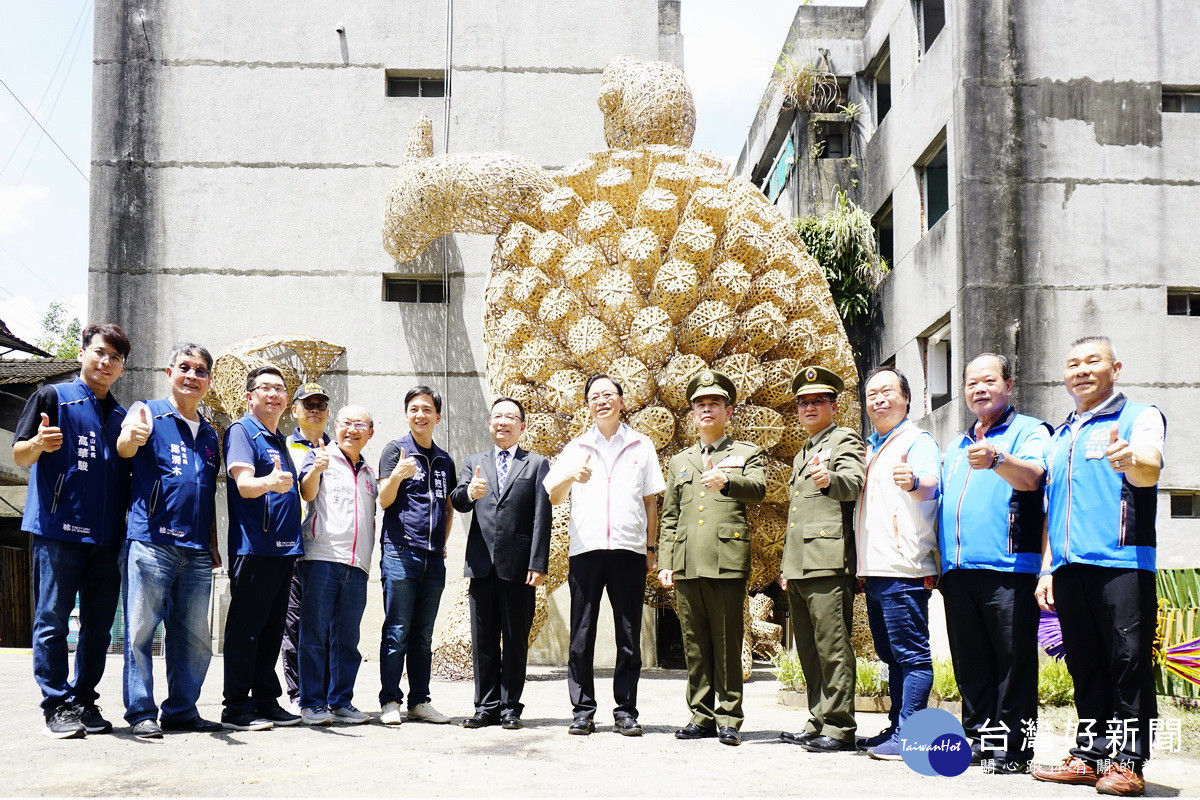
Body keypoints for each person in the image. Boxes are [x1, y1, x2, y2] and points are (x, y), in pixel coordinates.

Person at [1033, 336, 1165, 797]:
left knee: (1127, 661)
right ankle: (1090, 756)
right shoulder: (1061, 435)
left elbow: (1150, 466)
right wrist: (1047, 568)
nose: (1082, 370)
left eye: (1093, 361)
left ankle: (1128, 762)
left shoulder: (1139, 416)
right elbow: (1053, 505)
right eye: (1072, 364)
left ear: (1116, 367)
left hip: (1123, 561)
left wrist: (1132, 461)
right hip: (1069, 566)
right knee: (1085, 665)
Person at [13, 323, 132, 739]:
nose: (106, 362)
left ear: (121, 369)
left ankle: (84, 699)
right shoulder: (52, 397)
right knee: (52, 620)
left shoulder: (122, 417)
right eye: (100, 352)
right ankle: (56, 704)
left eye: (116, 358)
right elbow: (19, 454)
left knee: (99, 628)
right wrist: (39, 445)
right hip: (56, 530)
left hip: (106, 539)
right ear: (83, 353)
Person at [939, 353, 1050, 773]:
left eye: (988, 380)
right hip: (959, 571)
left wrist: (999, 458)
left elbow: (1034, 477)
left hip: (1010, 569)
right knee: (972, 662)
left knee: (1012, 663)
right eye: (971, 383)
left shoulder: (1029, 431)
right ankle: (980, 740)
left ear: (1009, 384)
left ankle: (1015, 750)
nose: (979, 389)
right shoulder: (956, 444)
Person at [544, 374, 664, 736]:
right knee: (582, 632)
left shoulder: (642, 445)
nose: (602, 401)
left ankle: (625, 710)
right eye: (595, 396)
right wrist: (570, 477)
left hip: (628, 550)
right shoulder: (577, 447)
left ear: (621, 402)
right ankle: (583, 710)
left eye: (608, 395)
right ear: (588, 405)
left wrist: (651, 549)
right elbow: (553, 496)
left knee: (629, 634)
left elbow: (651, 503)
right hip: (587, 551)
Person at [117, 343, 223, 739]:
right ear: (169, 372)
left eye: (200, 371)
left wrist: (212, 545)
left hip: (195, 551)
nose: (192, 376)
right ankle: (141, 712)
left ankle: (181, 710)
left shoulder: (211, 434)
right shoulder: (147, 411)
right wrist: (131, 435)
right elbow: (125, 447)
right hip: (151, 542)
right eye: (185, 368)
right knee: (141, 632)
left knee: (195, 638)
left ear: (208, 380)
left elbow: (207, 492)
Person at [659, 369, 766, 747]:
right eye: (700, 404)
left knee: (726, 640)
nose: (707, 409)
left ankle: (729, 716)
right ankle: (700, 714)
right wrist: (666, 560)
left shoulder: (745, 453)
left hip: (726, 559)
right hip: (687, 561)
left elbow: (759, 490)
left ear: (729, 411)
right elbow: (670, 514)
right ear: (692, 414)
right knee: (695, 642)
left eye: (714, 403)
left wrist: (728, 482)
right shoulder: (680, 461)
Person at [777, 365, 865, 753]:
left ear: (833, 405)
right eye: (803, 402)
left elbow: (854, 483)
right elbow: (797, 517)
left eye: (818, 401)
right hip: (800, 564)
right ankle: (817, 719)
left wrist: (832, 480)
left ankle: (840, 726)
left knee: (833, 647)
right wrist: (786, 566)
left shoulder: (844, 438)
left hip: (829, 561)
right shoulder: (804, 452)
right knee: (809, 650)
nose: (810, 407)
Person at [854, 366, 940, 760]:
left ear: (907, 398)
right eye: (872, 394)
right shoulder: (871, 445)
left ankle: (911, 735)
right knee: (891, 655)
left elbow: (930, 487)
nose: (879, 399)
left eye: (888, 392)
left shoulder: (916, 440)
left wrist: (914, 482)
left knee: (912, 655)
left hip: (905, 567)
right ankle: (897, 725)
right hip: (877, 569)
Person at [451, 398, 552, 730]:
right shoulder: (473, 462)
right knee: (484, 640)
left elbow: (542, 517)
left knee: (515, 638)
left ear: (522, 426)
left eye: (511, 417)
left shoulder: (536, 464)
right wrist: (471, 493)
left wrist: (538, 563)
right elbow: (457, 500)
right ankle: (485, 706)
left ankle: (510, 707)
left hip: (520, 566)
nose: (503, 422)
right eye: (497, 417)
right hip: (481, 565)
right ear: (489, 424)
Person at [221, 365, 304, 731]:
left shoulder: (279, 439)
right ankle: (237, 707)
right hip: (254, 548)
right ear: (249, 396)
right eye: (265, 388)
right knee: (246, 630)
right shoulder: (243, 431)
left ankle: (266, 701)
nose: (273, 394)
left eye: (280, 389)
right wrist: (269, 482)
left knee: (272, 630)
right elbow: (244, 485)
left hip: (283, 550)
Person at [377, 386, 455, 725]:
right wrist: (396, 476)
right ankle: (390, 701)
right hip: (399, 551)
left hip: (433, 557)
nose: (420, 414)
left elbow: (448, 507)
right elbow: (383, 499)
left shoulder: (444, 460)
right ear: (406, 414)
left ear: (437, 417)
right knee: (397, 630)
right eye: (414, 409)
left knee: (423, 635)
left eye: (427, 409)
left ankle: (419, 701)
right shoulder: (395, 450)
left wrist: (441, 544)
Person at [296, 405, 378, 726]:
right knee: (314, 634)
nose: (352, 429)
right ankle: (312, 704)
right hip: (321, 558)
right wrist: (316, 468)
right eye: (346, 423)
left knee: (347, 639)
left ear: (370, 434)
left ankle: (341, 701)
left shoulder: (370, 474)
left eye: (361, 424)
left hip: (357, 564)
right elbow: (306, 491)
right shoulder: (320, 456)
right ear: (336, 425)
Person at [281, 382, 331, 713]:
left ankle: (324, 693)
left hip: (330, 551)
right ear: (295, 410)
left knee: (325, 623)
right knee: (295, 623)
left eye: (320, 405)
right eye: (307, 404)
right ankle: (299, 693)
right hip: (297, 548)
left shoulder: (342, 449)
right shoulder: (284, 447)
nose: (314, 409)